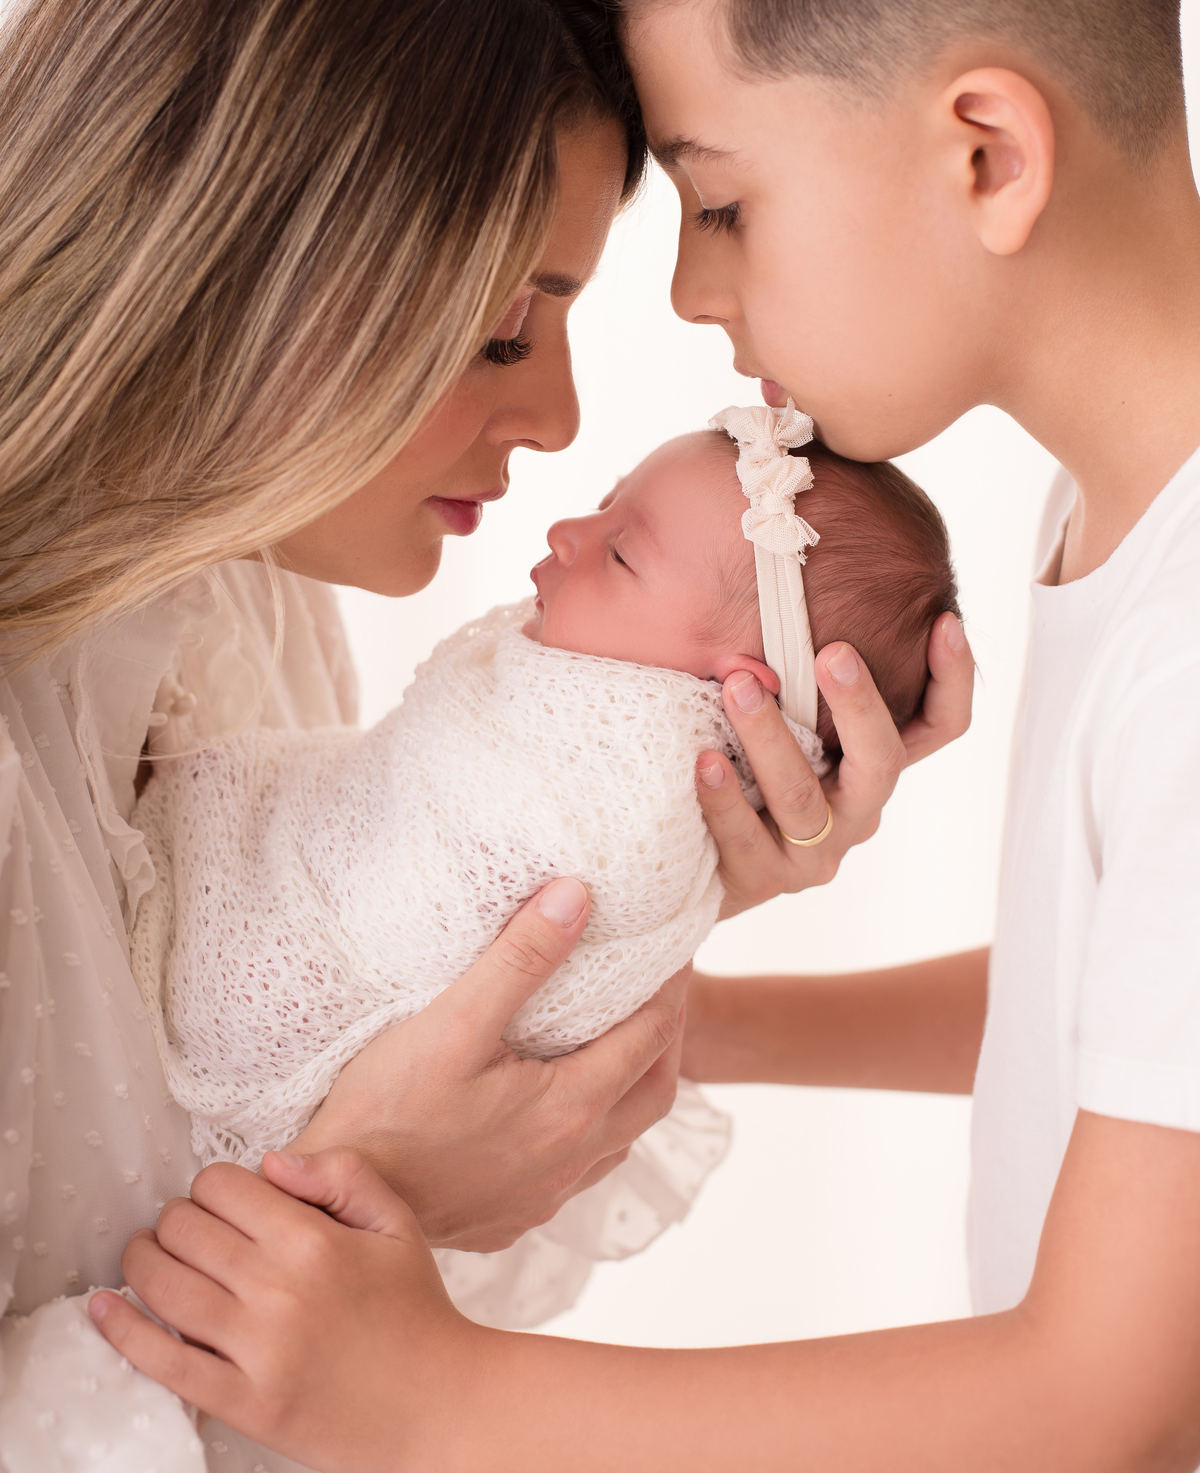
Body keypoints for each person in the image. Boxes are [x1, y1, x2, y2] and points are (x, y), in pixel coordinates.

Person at [92, 0, 1200, 1469]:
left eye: (722, 202)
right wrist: (640, 990)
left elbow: (1108, 1396)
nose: (689, 292)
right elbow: (1120, 1025)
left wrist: (436, 1396)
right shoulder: (1116, 515)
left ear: (987, 153)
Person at [0, 0, 970, 1472]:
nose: (560, 421)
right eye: (505, 330)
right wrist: (353, 1194)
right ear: (249, 265)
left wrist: (628, 918)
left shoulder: (237, 603)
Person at [128, 409, 957, 1332]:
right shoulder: (546, 699)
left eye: (622, 554)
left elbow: (465, 914)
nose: (567, 532)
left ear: (742, 690)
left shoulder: (620, 802)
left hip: (271, 1013)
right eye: (605, 505)